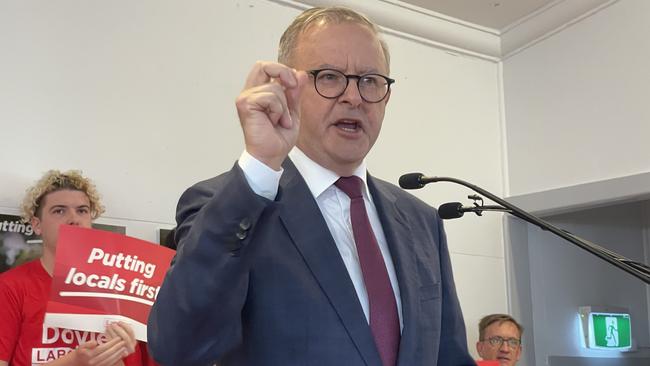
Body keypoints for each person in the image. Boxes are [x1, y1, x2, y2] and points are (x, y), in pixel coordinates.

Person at [148, 6, 474, 366]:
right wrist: (260, 165)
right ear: (286, 89)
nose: (354, 97)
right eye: (330, 77)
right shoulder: (229, 204)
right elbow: (180, 347)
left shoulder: (422, 221)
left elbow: (450, 356)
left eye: (370, 81)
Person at [0, 170, 154, 366]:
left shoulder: (128, 288)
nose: (73, 219)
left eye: (82, 210)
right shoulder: (10, 287)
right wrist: (72, 363)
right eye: (59, 210)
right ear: (37, 225)